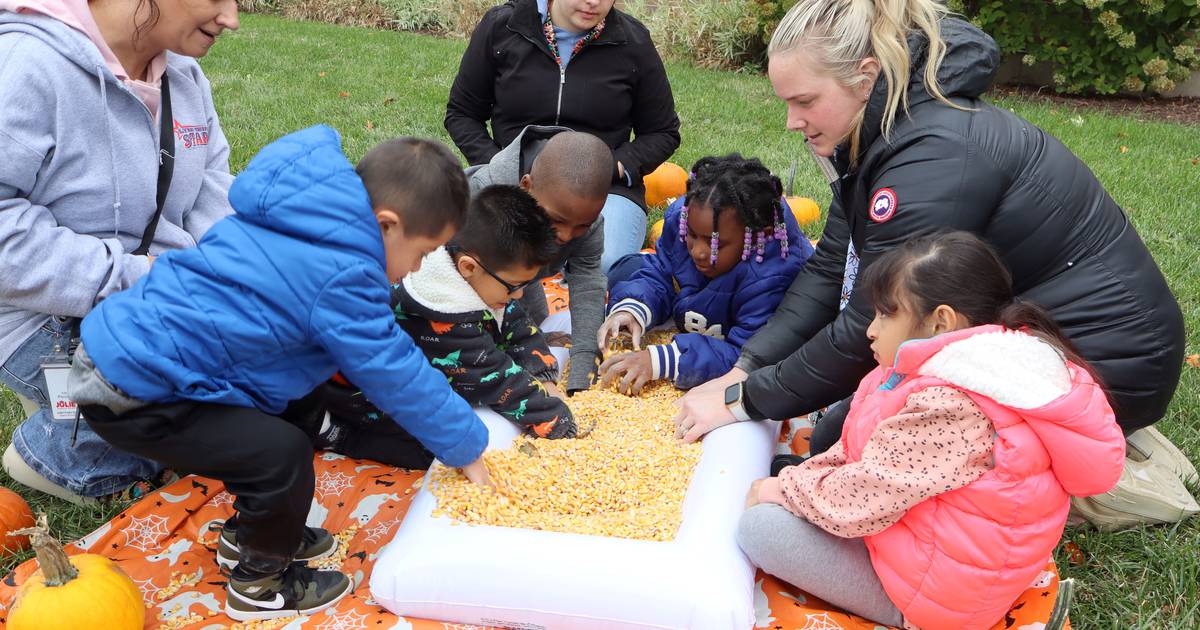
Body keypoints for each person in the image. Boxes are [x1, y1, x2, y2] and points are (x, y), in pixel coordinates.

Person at [673, 0, 1185, 457]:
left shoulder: (932, 153)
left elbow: (880, 317)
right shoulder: (879, 132)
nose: (791, 121)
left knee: (849, 444)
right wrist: (749, 367)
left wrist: (744, 401)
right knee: (845, 430)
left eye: (805, 102)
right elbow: (832, 263)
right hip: (1041, 335)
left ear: (866, 76)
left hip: (1105, 363)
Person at [66, 126, 491, 621]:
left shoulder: (301, 218)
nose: (416, 269)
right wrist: (466, 443)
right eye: (421, 253)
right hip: (138, 394)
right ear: (387, 225)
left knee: (296, 411)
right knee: (280, 456)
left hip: (136, 360)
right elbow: (394, 371)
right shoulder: (346, 273)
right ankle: (260, 582)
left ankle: (255, 532)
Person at [737, 231, 1126, 630]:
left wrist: (783, 490)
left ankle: (897, 617)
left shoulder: (950, 406)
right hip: (946, 558)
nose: (871, 329)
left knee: (759, 527)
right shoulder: (994, 365)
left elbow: (867, 493)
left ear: (941, 321)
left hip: (933, 599)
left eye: (887, 314)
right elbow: (865, 457)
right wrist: (803, 483)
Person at [0, 0, 239, 503]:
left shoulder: (187, 78)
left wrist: (221, 277)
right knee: (192, 402)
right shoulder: (25, 65)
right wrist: (144, 278)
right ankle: (55, 450)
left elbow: (213, 191)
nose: (231, 18)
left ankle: (90, 412)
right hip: (41, 312)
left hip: (158, 291)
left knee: (264, 361)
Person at [318, 185, 577, 464]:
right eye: (514, 286)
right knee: (432, 452)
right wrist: (558, 421)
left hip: (421, 370)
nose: (519, 295)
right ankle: (336, 433)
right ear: (468, 267)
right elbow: (499, 383)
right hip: (361, 399)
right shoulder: (446, 320)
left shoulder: (481, 277)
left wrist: (545, 375)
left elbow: (518, 326)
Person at [445, 0, 681, 274]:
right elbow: (461, 113)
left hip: (604, 191)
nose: (594, 2)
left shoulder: (634, 42)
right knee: (466, 253)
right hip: (515, 181)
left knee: (602, 266)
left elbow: (662, 131)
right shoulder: (503, 27)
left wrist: (614, 167)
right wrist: (500, 165)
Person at [596, 155, 813, 395]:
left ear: (756, 238)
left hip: (734, 327)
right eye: (691, 235)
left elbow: (749, 355)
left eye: (715, 244)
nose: (698, 252)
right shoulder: (684, 215)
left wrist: (661, 360)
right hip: (696, 309)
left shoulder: (774, 273)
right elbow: (661, 272)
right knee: (625, 272)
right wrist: (633, 309)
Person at [466, 126, 612, 393]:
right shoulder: (483, 198)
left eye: (582, 226)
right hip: (466, 289)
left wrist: (583, 370)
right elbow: (466, 293)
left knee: (536, 322)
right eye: (556, 220)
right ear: (525, 187)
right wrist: (525, 351)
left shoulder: (582, 217)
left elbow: (588, 284)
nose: (566, 235)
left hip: (521, 283)